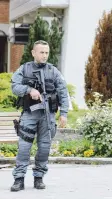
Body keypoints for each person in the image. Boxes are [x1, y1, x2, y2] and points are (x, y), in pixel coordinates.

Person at [10, 40, 69, 192]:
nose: (44, 55)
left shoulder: (53, 71)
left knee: (44, 148)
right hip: (30, 114)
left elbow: (63, 92)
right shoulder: (25, 69)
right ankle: (19, 179)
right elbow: (14, 86)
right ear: (33, 53)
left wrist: (64, 114)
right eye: (41, 52)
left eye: (46, 53)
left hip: (47, 115)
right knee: (24, 148)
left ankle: (38, 178)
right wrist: (29, 90)